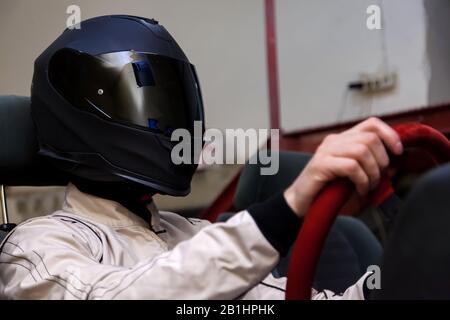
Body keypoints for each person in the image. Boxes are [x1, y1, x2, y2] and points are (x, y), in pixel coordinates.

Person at [0, 15, 403, 300]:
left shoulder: (192, 235)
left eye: (171, 101)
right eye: (146, 104)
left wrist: (400, 274)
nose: (169, 123)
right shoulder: (37, 246)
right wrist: (288, 208)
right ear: (78, 114)